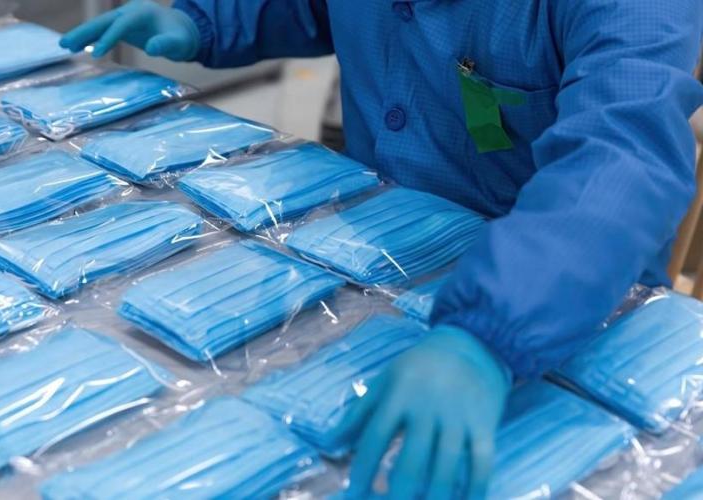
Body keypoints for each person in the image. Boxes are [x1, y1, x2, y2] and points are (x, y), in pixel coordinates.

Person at [61, 1, 703, 498]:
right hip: (369, 260)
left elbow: (621, 158)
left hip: (559, 299)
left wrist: (488, 335)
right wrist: (205, 21)